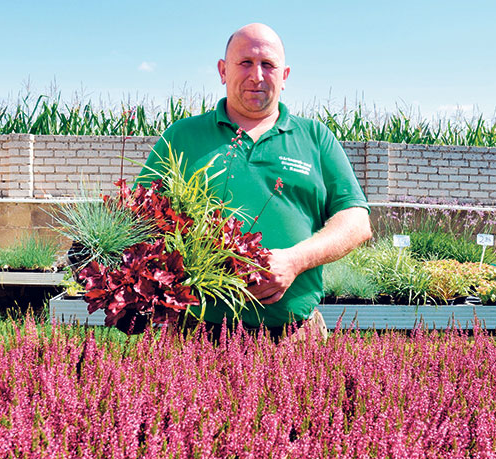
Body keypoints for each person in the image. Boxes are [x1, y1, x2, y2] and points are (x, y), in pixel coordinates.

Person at [139, 23, 371, 338]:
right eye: (245, 62)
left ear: (285, 76)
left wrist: (295, 260)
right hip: (194, 334)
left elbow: (356, 221)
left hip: (294, 337)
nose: (257, 75)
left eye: (268, 65)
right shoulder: (182, 136)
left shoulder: (315, 138)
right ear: (223, 70)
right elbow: (139, 214)